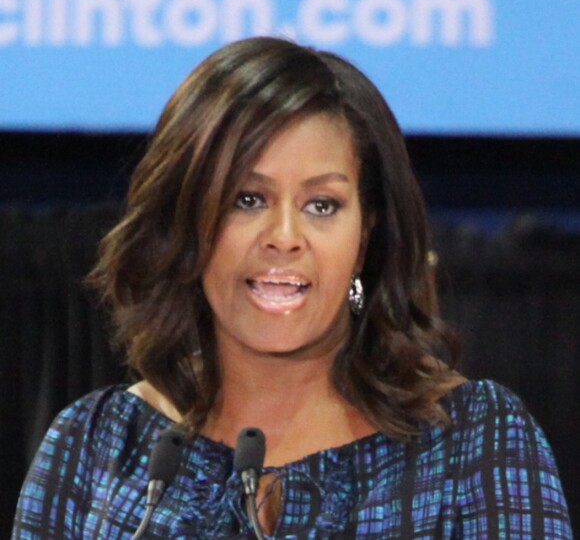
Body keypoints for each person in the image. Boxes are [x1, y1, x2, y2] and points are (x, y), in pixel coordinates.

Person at [12, 37, 571, 539]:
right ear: (187, 223)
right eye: (247, 199)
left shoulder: (474, 442)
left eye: (321, 205)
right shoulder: (98, 446)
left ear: (366, 233)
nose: (284, 237)